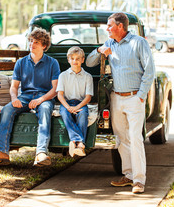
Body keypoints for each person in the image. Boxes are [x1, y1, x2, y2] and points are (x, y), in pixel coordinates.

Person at [86, 12, 155, 194]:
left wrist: (140, 95)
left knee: (136, 138)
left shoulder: (139, 42)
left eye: (109, 26)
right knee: (122, 139)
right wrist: (100, 50)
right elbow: (89, 62)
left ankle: (139, 181)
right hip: (116, 97)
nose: (107, 29)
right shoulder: (109, 43)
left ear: (120, 27)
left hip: (134, 98)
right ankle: (129, 175)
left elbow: (149, 71)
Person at [0, 28, 60, 167]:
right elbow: (14, 87)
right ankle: (2, 152)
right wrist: (14, 98)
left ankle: (41, 153)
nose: (32, 44)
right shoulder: (21, 63)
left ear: (44, 46)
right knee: (7, 110)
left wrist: (41, 100)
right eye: (30, 41)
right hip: (25, 96)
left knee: (44, 111)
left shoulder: (52, 63)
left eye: (36, 42)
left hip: (44, 97)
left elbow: (55, 89)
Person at [57, 47, 93, 157]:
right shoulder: (63, 75)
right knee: (64, 113)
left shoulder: (88, 76)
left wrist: (77, 107)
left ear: (82, 60)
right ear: (68, 60)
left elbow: (88, 97)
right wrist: (68, 107)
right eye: (72, 58)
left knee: (83, 115)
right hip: (66, 103)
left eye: (78, 58)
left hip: (81, 103)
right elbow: (60, 95)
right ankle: (80, 143)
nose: (75, 61)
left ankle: (76, 142)